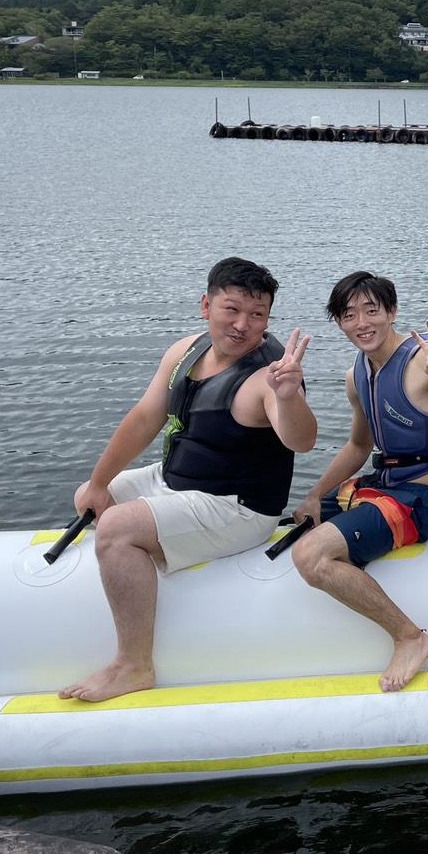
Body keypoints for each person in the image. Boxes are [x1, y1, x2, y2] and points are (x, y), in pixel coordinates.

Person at [60, 257, 317, 702]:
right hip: (175, 481)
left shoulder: (269, 377)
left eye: (257, 315)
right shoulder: (185, 351)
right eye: (231, 309)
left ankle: (134, 665)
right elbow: (145, 418)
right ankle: (139, 564)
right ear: (205, 305)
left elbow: (302, 441)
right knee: (88, 494)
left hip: (236, 506)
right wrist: (100, 483)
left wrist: (290, 397)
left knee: (117, 527)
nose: (242, 325)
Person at [289, 272, 428, 692]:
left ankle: (409, 637)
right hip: (379, 486)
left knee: (310, 556)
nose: (362, 323)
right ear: (339, 322)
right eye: (349, 315)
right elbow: (358, 446)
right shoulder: (357, 374)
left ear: (392, 311)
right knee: (300, 521)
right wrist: (315, 494)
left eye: (372, 310)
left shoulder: (424, 362)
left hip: (419, 500)